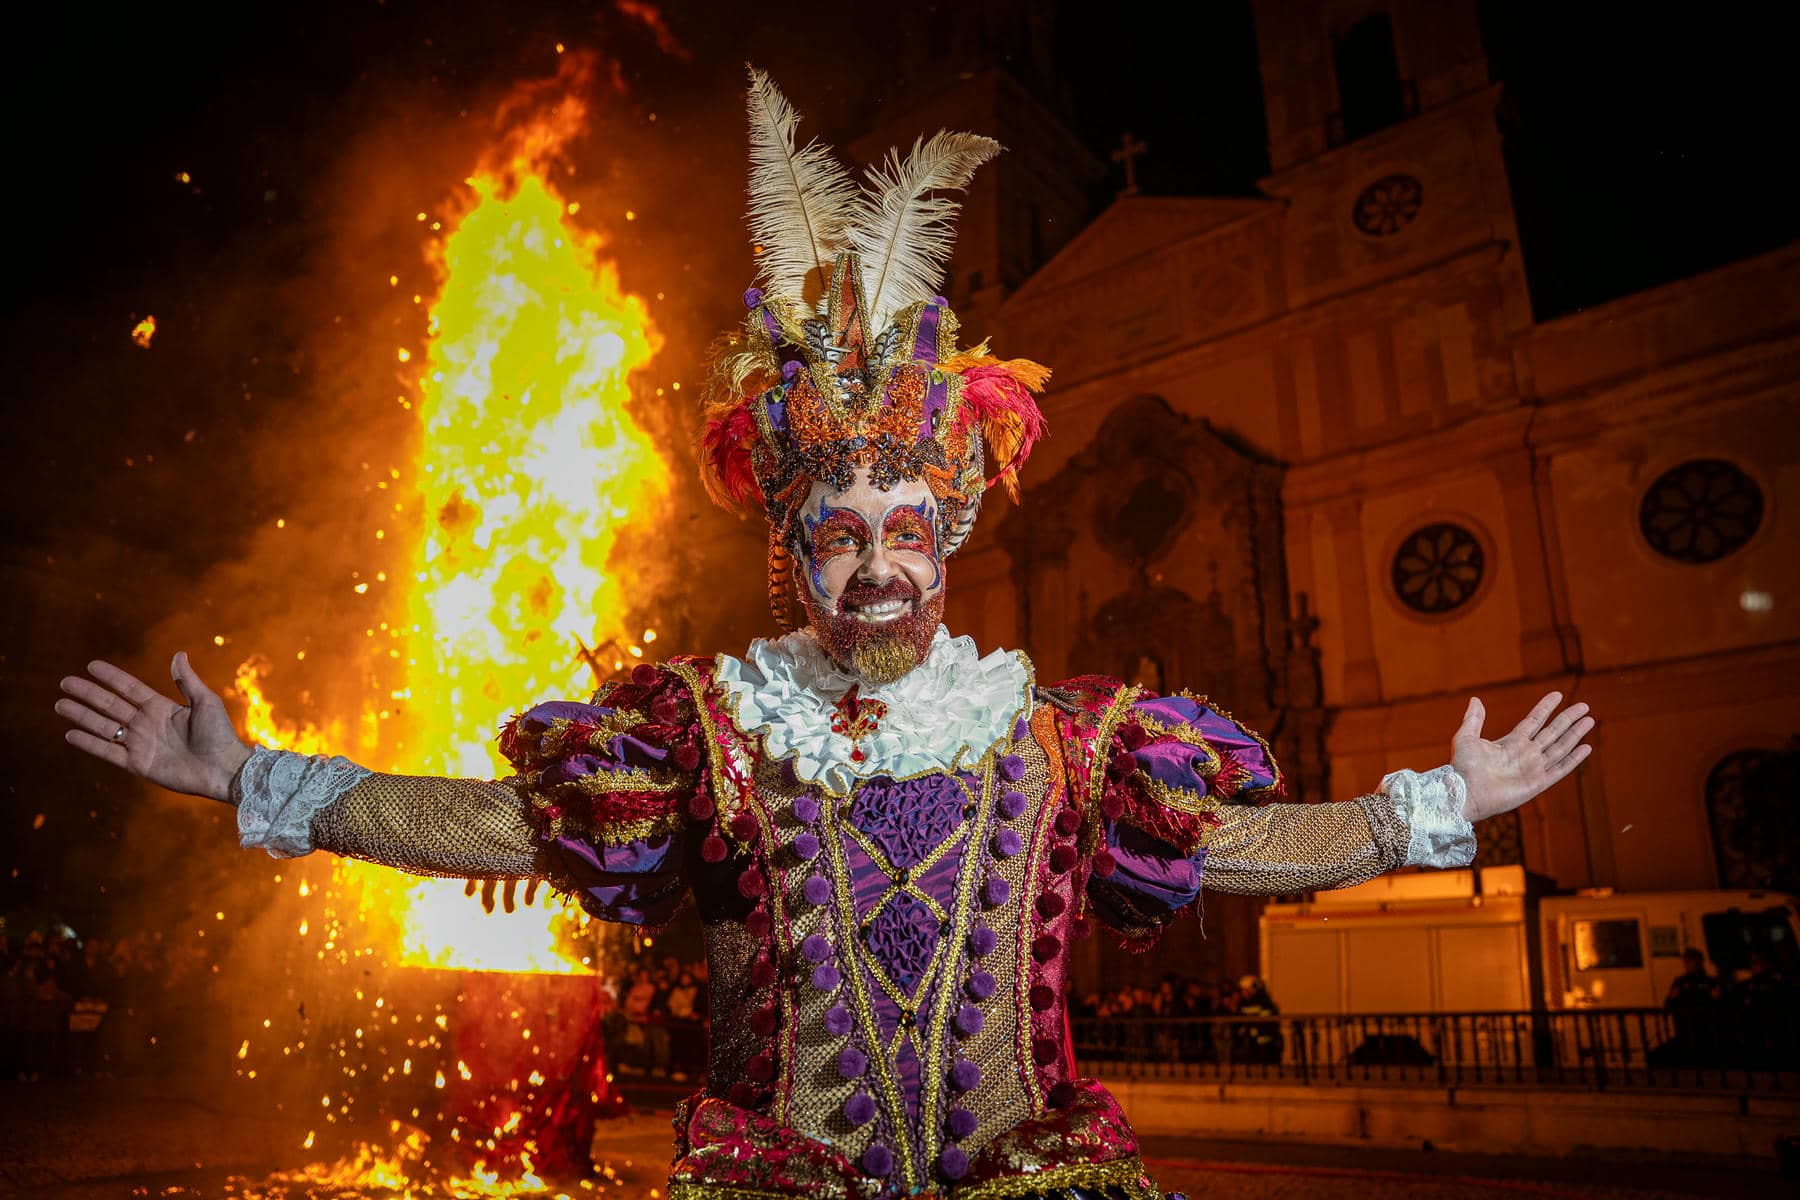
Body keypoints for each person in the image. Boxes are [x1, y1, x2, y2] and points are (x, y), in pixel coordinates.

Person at [54, 69, 1596, 1200]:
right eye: (839, 532)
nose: (875, 564)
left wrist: (1434, 812)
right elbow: (503, 831)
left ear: (948, 543)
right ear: (793, 551)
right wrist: (263, 777)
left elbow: (1245, 850)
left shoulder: (1059, 735)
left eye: (905, 529)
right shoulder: (708, 737)